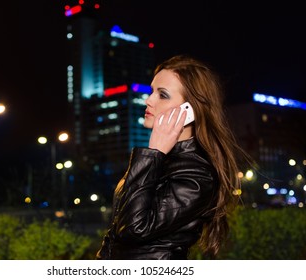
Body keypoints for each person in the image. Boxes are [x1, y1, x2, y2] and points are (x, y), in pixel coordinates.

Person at [96, 54, 251, 260]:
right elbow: (114, 237)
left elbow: (132, 229)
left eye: (163, 95)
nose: (149, 100)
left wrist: (154, 152)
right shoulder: (160, 160)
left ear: (190, 111)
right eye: (152, 91)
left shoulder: (197, 176)